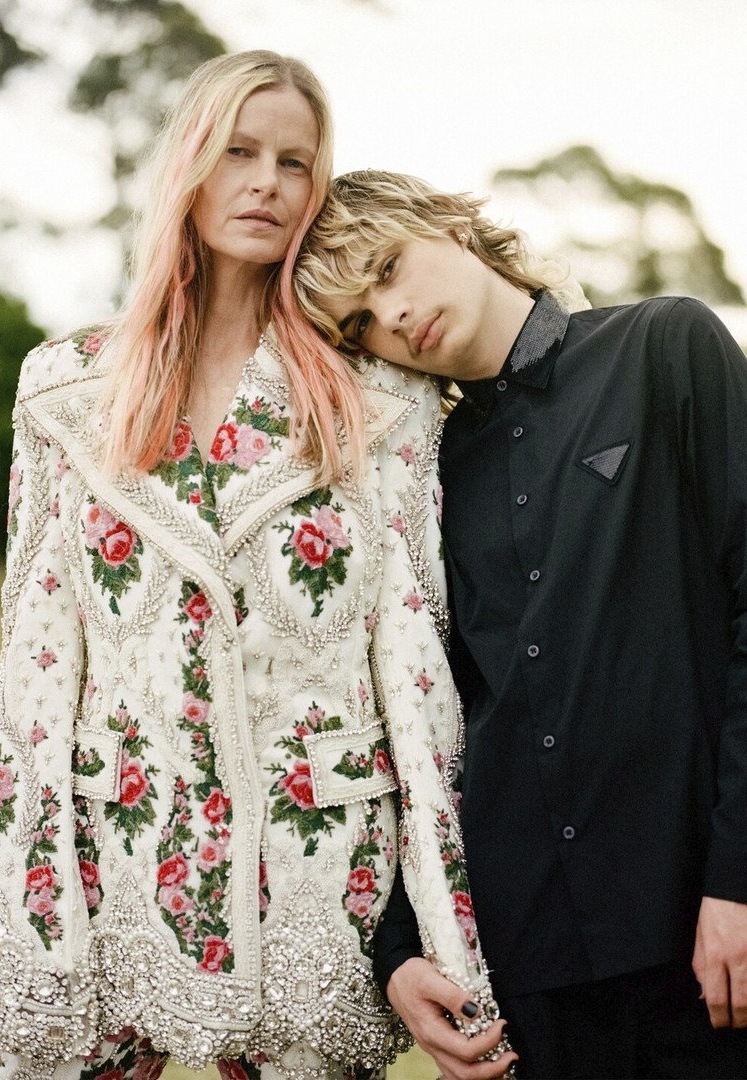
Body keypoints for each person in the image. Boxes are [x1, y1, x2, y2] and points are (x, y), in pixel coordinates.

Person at [0, 55, 507, 1079]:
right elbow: (35, 682)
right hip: (118, 857)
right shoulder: (64, 388)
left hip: (320, 881)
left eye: (294, 162)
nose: (267, 180)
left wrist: (451, 942)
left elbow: (421, 680)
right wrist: (32, 918)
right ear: (191, 163)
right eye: (240, 151)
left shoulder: (381, 395)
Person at [293, 169, 747, 1078]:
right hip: (530, 973)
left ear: (451, 224)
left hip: (700, 936)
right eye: (360, 325)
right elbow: (431, 720)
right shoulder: (420, 480)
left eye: (387, 269)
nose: (394, 317)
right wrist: (400, 950)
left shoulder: (663, 348)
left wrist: (738, 879)